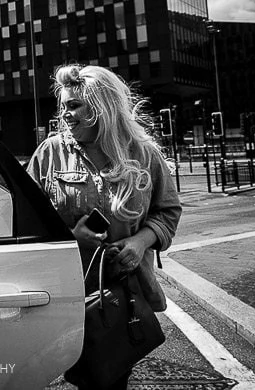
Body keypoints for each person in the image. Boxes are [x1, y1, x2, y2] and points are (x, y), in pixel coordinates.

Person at [27, 64, 181, 390]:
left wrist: (140, 241)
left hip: (124, 292)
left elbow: (167, 212)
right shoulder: (50, 153)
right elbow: (25, 221)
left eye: (74, 106)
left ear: (102, 107)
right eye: (63, 106)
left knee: (110, 373)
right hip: (65, 290)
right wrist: (71, 239)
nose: (65, 115)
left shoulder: (144, 154)